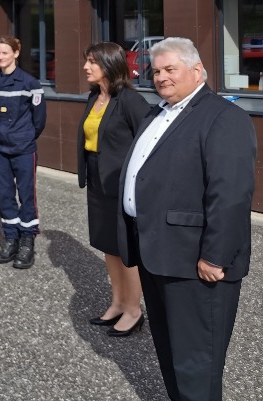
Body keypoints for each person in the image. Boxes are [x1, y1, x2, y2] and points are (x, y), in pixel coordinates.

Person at [117, 37, 256, 400]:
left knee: (197, 364)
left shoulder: (224, 117)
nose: (161, 77)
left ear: (197, 71)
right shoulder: (156, 113)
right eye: (156, 71)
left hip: (195, 262)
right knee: (171, 355)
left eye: (170, 69)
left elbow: (231, 195)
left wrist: (215, 256)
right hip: (156, 254)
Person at [76, 42, 150, 337]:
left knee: (125, 248)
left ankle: (134, 310)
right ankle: (118, 302)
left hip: (121, 184)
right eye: (86, 61)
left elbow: (149, 142)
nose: (86, 67)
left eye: (92, 62)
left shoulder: (130, 100)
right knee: (108, 245)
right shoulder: (94, 96)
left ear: (109, 64)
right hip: (98, 180)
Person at [0, 36, 46, 269]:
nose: (0, 57)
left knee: (26, 195)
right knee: (4, 195)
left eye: (5, 53)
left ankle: (27, 242)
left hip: (23, 148)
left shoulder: (30, 84)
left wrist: (24, 136)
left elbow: (39, 120)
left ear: (16, 53)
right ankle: (11, 240)